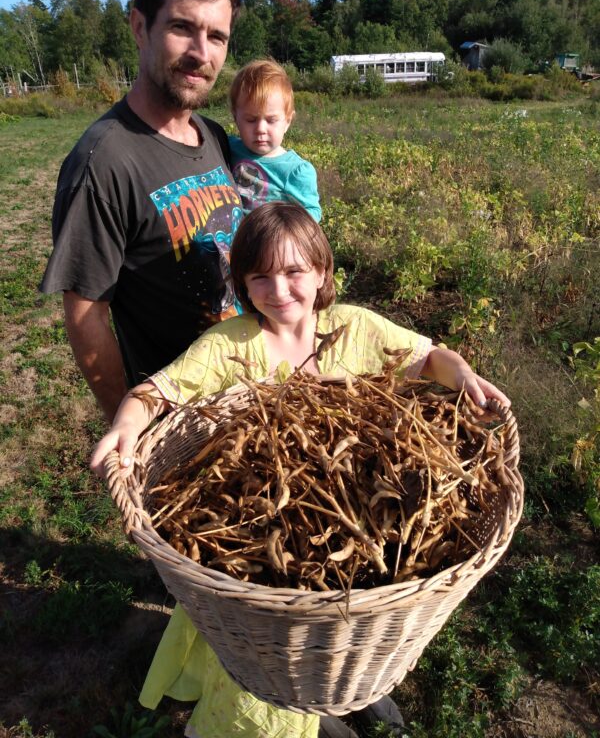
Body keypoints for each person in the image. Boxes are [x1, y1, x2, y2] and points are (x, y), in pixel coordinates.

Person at [91, 201, 510, 738]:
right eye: (260, 277)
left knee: (368, 605)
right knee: (277, 656)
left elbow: (430, 358)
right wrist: (127, 422)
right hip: (268, 597)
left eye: (293, 273)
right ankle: (287, 709)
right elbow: (156, 392)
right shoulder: (230, 343)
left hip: (365, 575)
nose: (279, 290)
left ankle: (353, 692)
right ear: (241, 283)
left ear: (321, 274)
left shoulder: (353, 328)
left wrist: (465, 376)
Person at [39, 0, 243, 423]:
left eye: (217, 36)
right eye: (181, 28)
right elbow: (85, 316)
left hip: (248, 403)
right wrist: (134, 430)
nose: (201, 52)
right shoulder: (104, 161)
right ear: (139, 27)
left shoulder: (212, 136)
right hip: (182, 425)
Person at [228, 59, 321, 221]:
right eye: (251, 120)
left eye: (271, 120)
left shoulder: (295, 171)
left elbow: (311, 214)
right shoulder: (227, 146)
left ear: (287, 121)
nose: (260, 129)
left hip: (269, 243)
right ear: (236, 118)